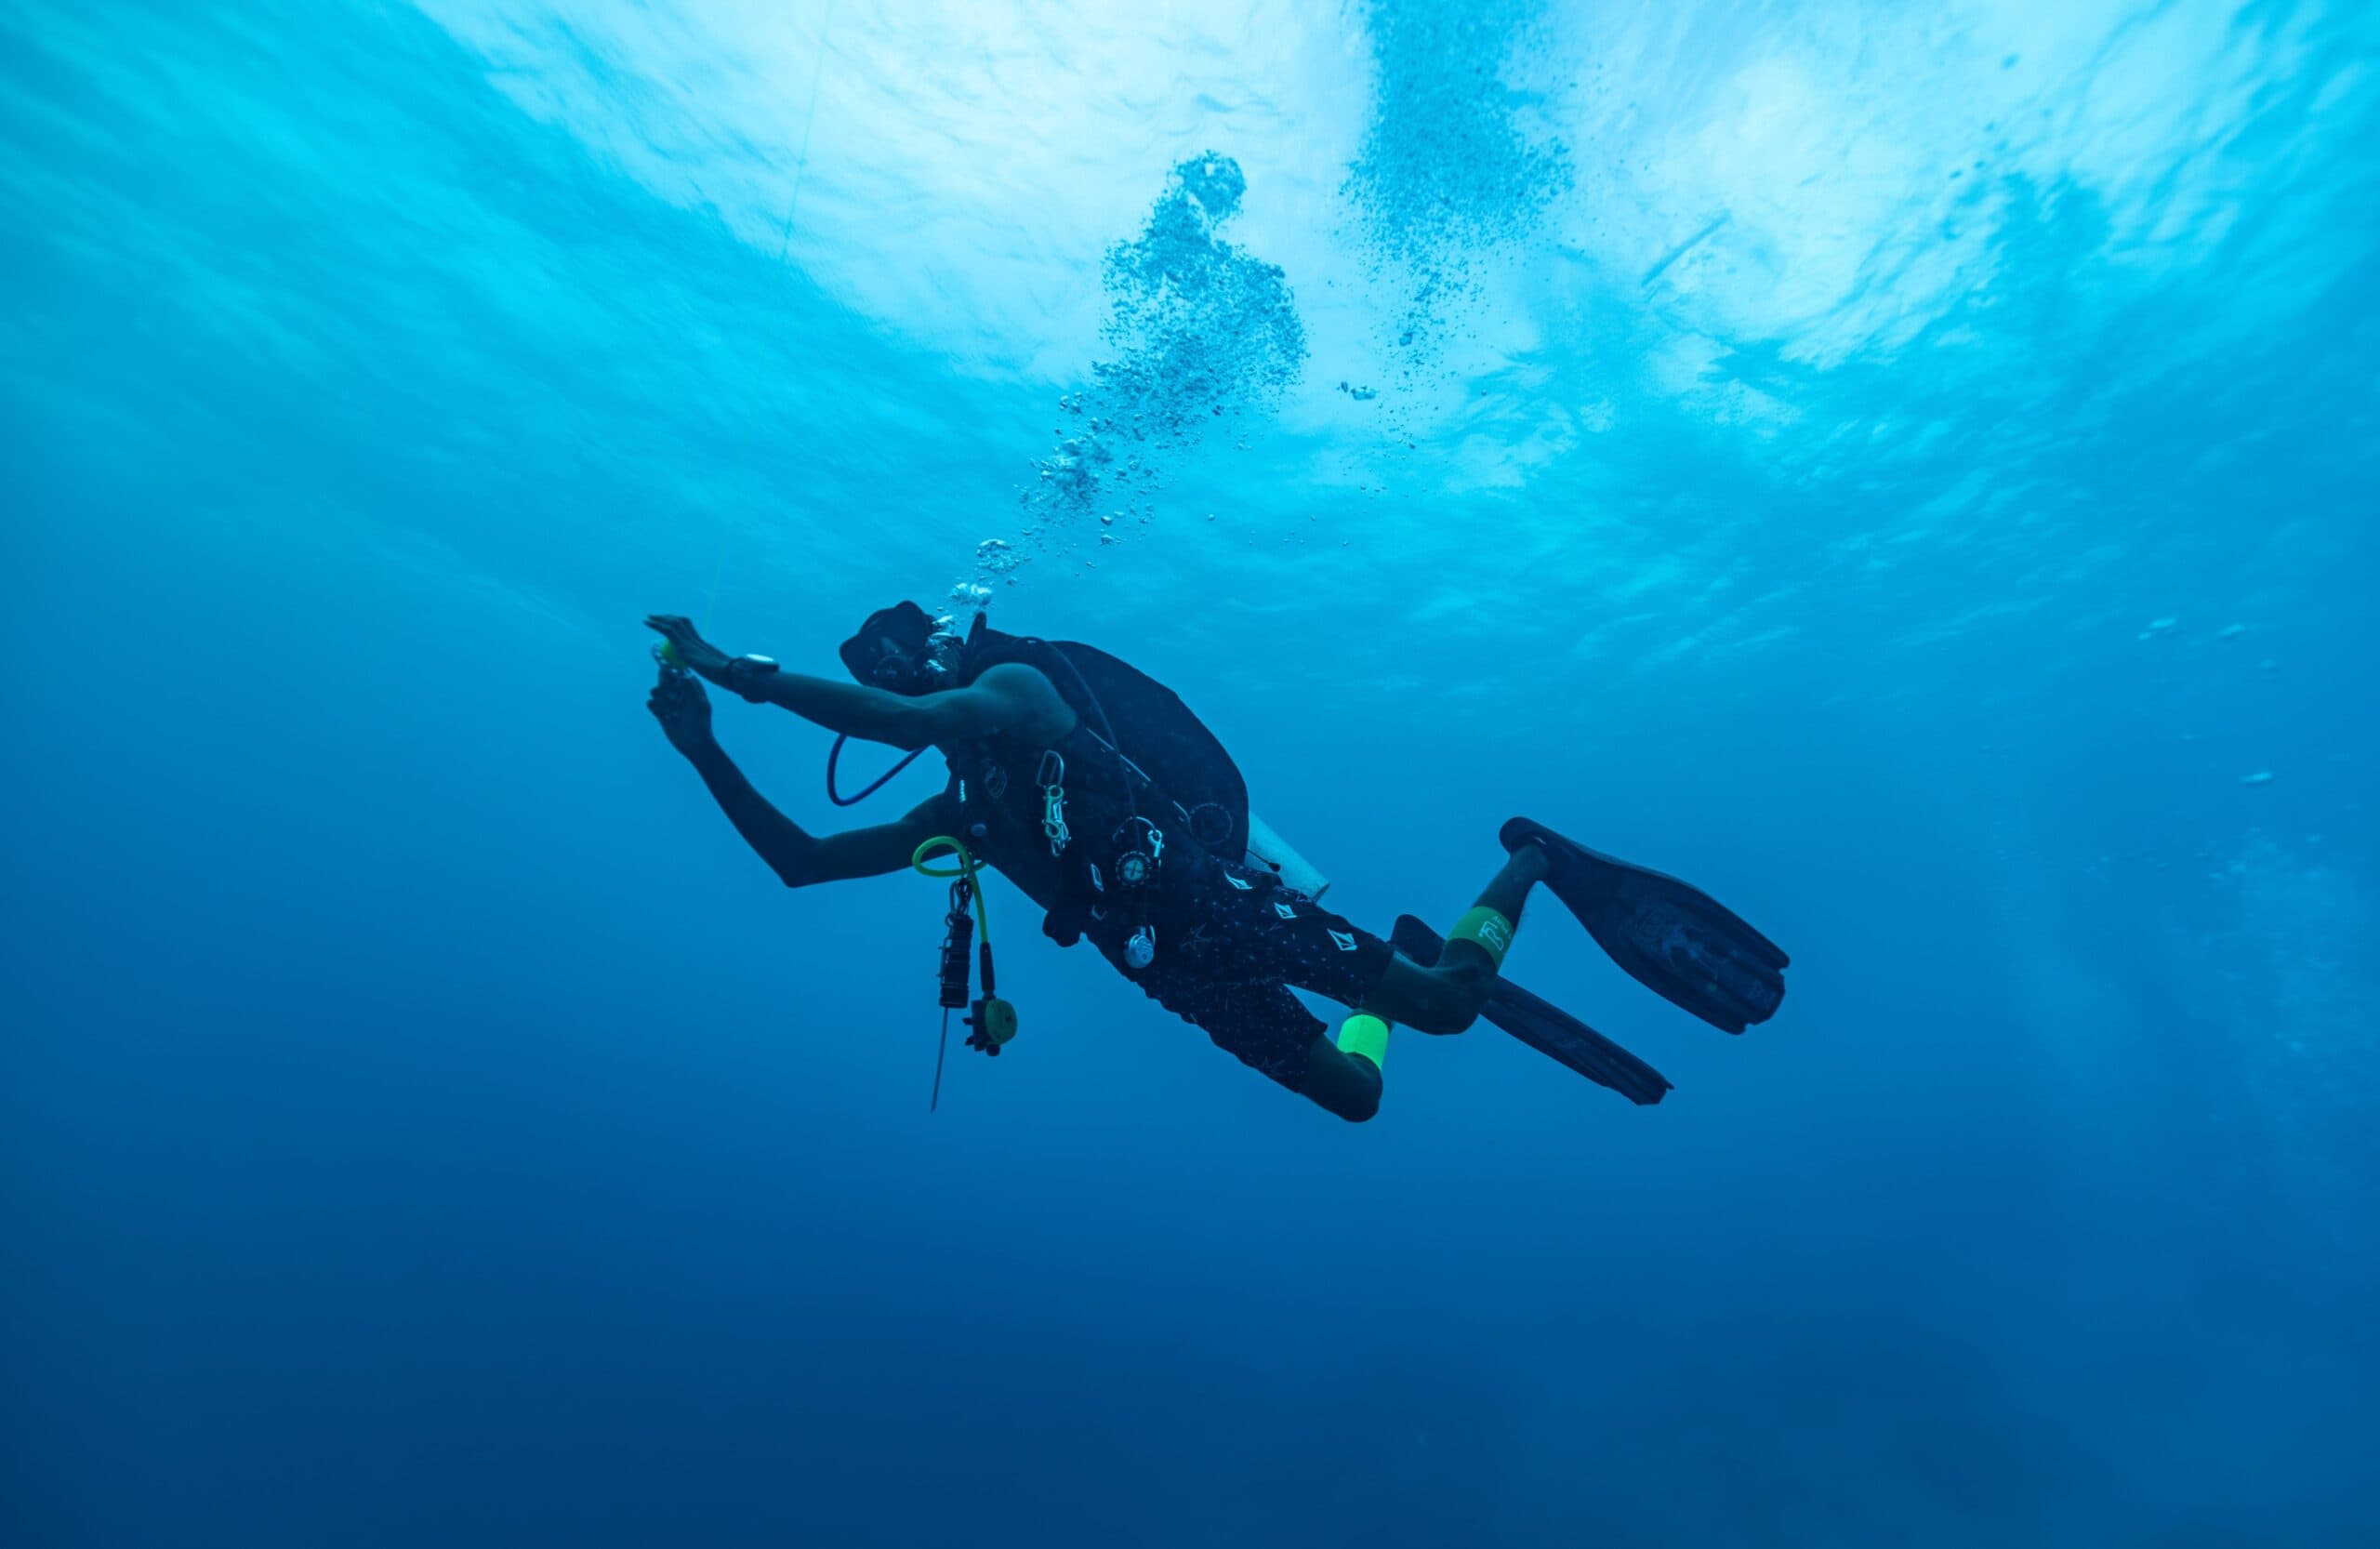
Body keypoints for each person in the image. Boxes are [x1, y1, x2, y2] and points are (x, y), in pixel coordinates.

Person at [642, 603, 1786, 1120]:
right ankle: (1380, 980)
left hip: (1212, 900)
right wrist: (701, 752)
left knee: (1444, 1009)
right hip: (1167, 969)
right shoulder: (969, 816)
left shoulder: (1017, 693)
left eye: (907, 670)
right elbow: (799, 860)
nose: (902, 692)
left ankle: (1531, 860)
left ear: (936, 658)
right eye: (887, 682)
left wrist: (733, 671)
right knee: (1354, 1094)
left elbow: (914, 721)